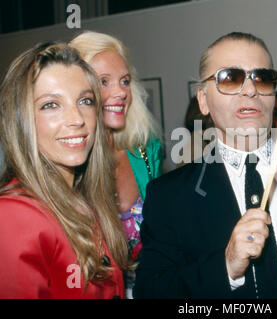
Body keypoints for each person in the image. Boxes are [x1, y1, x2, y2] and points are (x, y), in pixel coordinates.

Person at [134, 32, 277, 299]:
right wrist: (226, 267)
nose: (250, 90)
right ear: (203, 100)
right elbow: (151, 292)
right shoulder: (169, 197)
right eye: (230, 78)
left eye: (262, 78)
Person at [0, 42, 128, 298]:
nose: (77, 119)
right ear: (21, 118)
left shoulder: (84, 203)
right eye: (51, 105)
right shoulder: (13, 217)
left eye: (85, 101)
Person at [70, 31, 163, 298]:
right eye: (103, 81)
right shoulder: (67, 164)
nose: (120, 92)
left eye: (124, 81)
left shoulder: (147, 150)